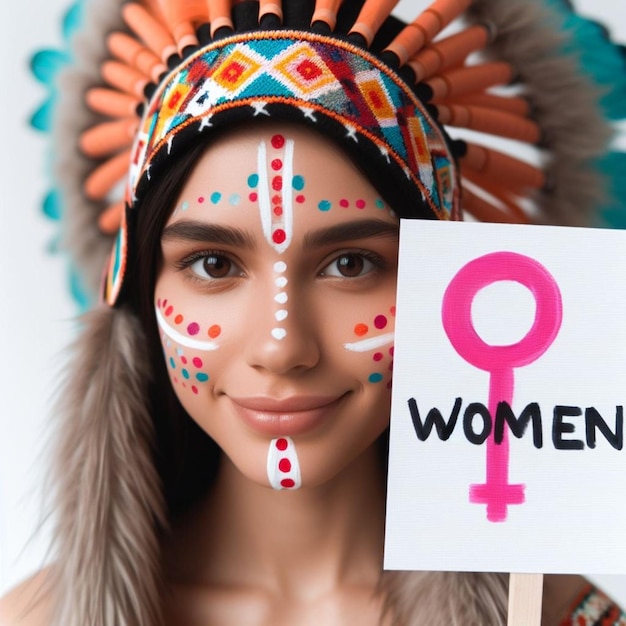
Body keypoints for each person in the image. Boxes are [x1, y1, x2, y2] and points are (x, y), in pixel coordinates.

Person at [1, 0, 626, 624]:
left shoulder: (554, 615)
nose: (281, 346)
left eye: (351, 264)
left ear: (454, 295)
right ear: (141, 289)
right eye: (214, 265)